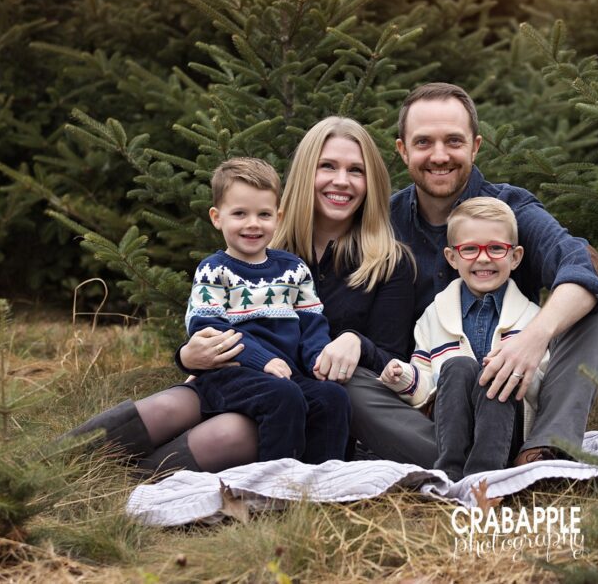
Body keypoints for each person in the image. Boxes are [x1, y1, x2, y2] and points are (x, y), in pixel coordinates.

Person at [64, 117, 416, 474]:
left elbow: (390, 359)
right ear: (306, 172)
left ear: (371, 181)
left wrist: (354, 342)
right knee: (176, 406)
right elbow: (209, 319)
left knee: (234, 430)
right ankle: (68, 464)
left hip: (297, 392)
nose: (341, 180)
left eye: (356, 170)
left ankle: (129, 479)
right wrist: (191, 356)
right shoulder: (260, 246)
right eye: (327, 166)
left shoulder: (388, 262)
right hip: (245, 376)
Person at [346, 82, 598, 469]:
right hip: (425, 404)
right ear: (403, 150)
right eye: (424, 143)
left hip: (515, 402)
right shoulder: (382, 224)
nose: (439, 156)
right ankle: (454, 456)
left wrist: (533, 339)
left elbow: (584, 265)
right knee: (344, 380)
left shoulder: (510, 209)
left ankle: (544, 449)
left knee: (595, 310)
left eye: (453, 141)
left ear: (474, 146)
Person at [381, 197, 548, 481]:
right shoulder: (435, 315)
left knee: (495, 374)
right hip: (451, 430)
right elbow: (424, 377)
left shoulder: (531, 318)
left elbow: (543, 380)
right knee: (457, 365)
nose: (483, 258)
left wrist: (514, 371)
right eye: (470, 249)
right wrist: (402, 377)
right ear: (452, 258)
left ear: (515, 256)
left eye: (496, 248)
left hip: (506, 432)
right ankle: (451, 472)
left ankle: (485, 477)